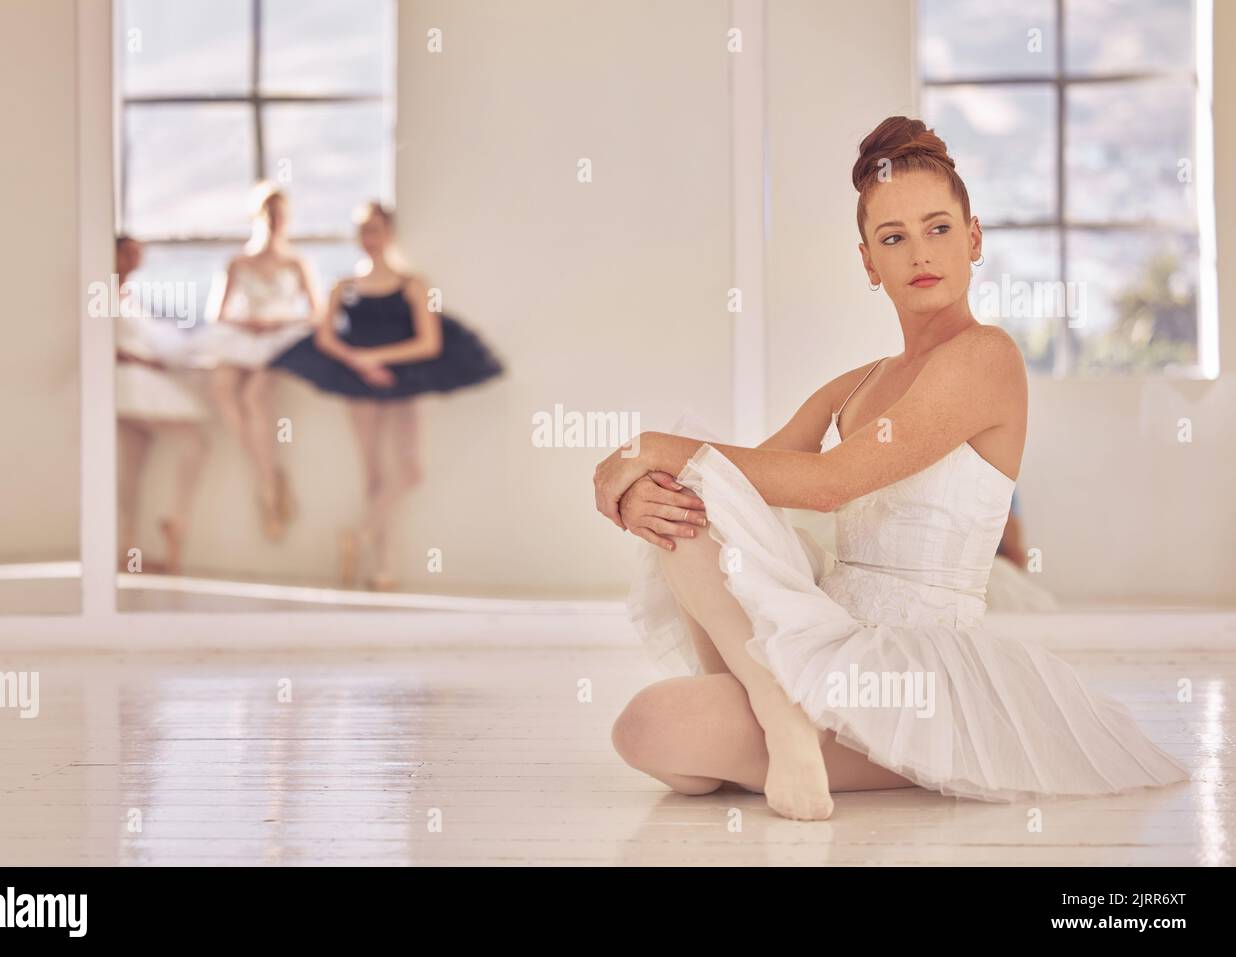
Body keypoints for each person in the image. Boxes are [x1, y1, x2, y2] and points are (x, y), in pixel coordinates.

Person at [595, 117, 1189, 820]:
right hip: (826, 635)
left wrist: (654, 450)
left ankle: (780, 720)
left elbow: (832, 481)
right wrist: (638, 482)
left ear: (973, 239)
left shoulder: (985, 358)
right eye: (893, 237)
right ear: (869, 262)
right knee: (689, 486)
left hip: (914, 673)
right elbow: (738, 483)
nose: (920, 253)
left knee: (655, 728)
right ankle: (776, 708)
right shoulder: (857, 384)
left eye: (939, 228)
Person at [271, 201, 504, 590]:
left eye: (376, 229)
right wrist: (358, 362)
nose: (369, 238)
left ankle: (358, 537)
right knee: (374, 476)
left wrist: (377, 357)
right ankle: (384, 569)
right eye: (363, 230)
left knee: (409, 472)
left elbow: (428, 342)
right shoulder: (342, 287)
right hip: (359, 385)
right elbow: (326, 337)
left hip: (402, 381)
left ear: (390, 232)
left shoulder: (413, 284)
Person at [192, 182, 320, 541]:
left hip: (279, 337)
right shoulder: (237, 262)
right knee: (222, 389)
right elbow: (217, 313)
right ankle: (270, 477)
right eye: (270, 214)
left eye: (282, 215)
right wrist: (249, 322)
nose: (276, 221)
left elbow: (316, 313)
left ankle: (268, 492)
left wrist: (277, 322)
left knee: (253, 398)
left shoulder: (297, 262)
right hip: (241, 334)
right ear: (258, 217)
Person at [114, 235, 210, 575]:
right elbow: (102, 343)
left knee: (132, 467)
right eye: (128, 253)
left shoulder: (131, 296)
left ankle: (131, 549)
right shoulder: (102, 293)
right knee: (184, 446)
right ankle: (146, 538)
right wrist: (143, 361)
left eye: (138, 253)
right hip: (125, 384)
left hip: (138, 381)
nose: (135, 259)